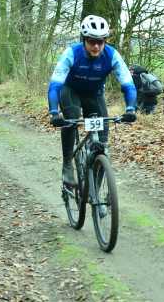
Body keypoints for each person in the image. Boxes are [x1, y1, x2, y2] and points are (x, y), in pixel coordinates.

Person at [48, 15, 137, 185]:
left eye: (100, 42)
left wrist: (130, 109)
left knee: (102, 146)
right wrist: (54, 112)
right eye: (91, 41)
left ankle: (97, 191)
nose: (96, 46)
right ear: (84, 40)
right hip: (71, 91)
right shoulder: (71, 54)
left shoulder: (112, 55)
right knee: (71, 118)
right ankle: (67, 164)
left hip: (94, 95)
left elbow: (128, 85)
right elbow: (55, 86)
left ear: (104, 41)